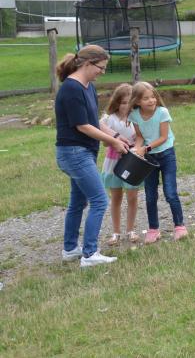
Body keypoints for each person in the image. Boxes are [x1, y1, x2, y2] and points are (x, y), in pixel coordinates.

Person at [55, 45, 128, 268]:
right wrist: (113, 142)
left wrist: (117, 135)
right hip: (74, 153)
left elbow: (95, 122)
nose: (102, 72)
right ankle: (89, 254)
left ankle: (70, 249)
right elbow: (82, 126)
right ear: (87, 64)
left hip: (83, 152)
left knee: (78, 201)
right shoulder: (71, 89)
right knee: (99, 200)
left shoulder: (88, 87)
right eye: (100, 67)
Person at [130, 81, 186, 243]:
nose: (151, 100)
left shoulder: (162, 112)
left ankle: (180, 226)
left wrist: (145, 149)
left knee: (170, 193)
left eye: (153, 96)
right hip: (149, 160)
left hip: (167, 155)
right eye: (146, 98)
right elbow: (140, 136)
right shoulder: (134, 115)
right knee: (150, 195)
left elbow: (163, 138)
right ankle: (153, 229)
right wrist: (136, 150)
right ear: (137, 101)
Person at [99, 83, 141, 246]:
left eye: (129, 103)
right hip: (113, 162)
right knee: (116, 197)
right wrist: (114, 141)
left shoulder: (137, 119)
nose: (126, 106)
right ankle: (116, 232)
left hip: (132, 162)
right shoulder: (108, 120)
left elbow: (141, 137)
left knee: (132, 196)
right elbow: (103, 142)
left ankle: (131, 230)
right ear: (117, 102)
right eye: (123, 103)